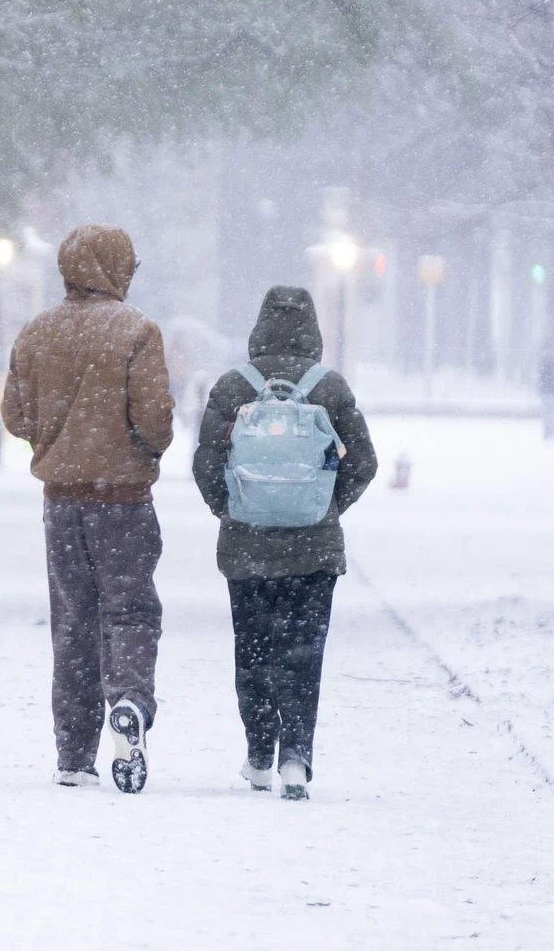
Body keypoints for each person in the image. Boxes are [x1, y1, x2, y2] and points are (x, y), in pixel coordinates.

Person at [2, 224, 173, 794]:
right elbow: (156, 424)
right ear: (115, 267)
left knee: (72, 621)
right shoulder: (136, 331)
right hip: (124, 501)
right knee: (129, 611)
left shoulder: (35, 333)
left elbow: (15, 416)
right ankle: (128, 700)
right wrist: (134, 447)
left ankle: (75, 754)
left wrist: (55, 441)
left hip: (61, 504)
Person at [193, 287, 377, 802]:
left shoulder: (234, 386)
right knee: (303, 654)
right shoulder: (330, 388)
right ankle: (295, 758)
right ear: (313, 331)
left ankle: (257, 756)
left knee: (252, 651)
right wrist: (326, 505)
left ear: (259, 328)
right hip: (314, 550)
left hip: (246, 550)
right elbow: (364, 462)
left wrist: (233, 510)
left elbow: (204, 465)